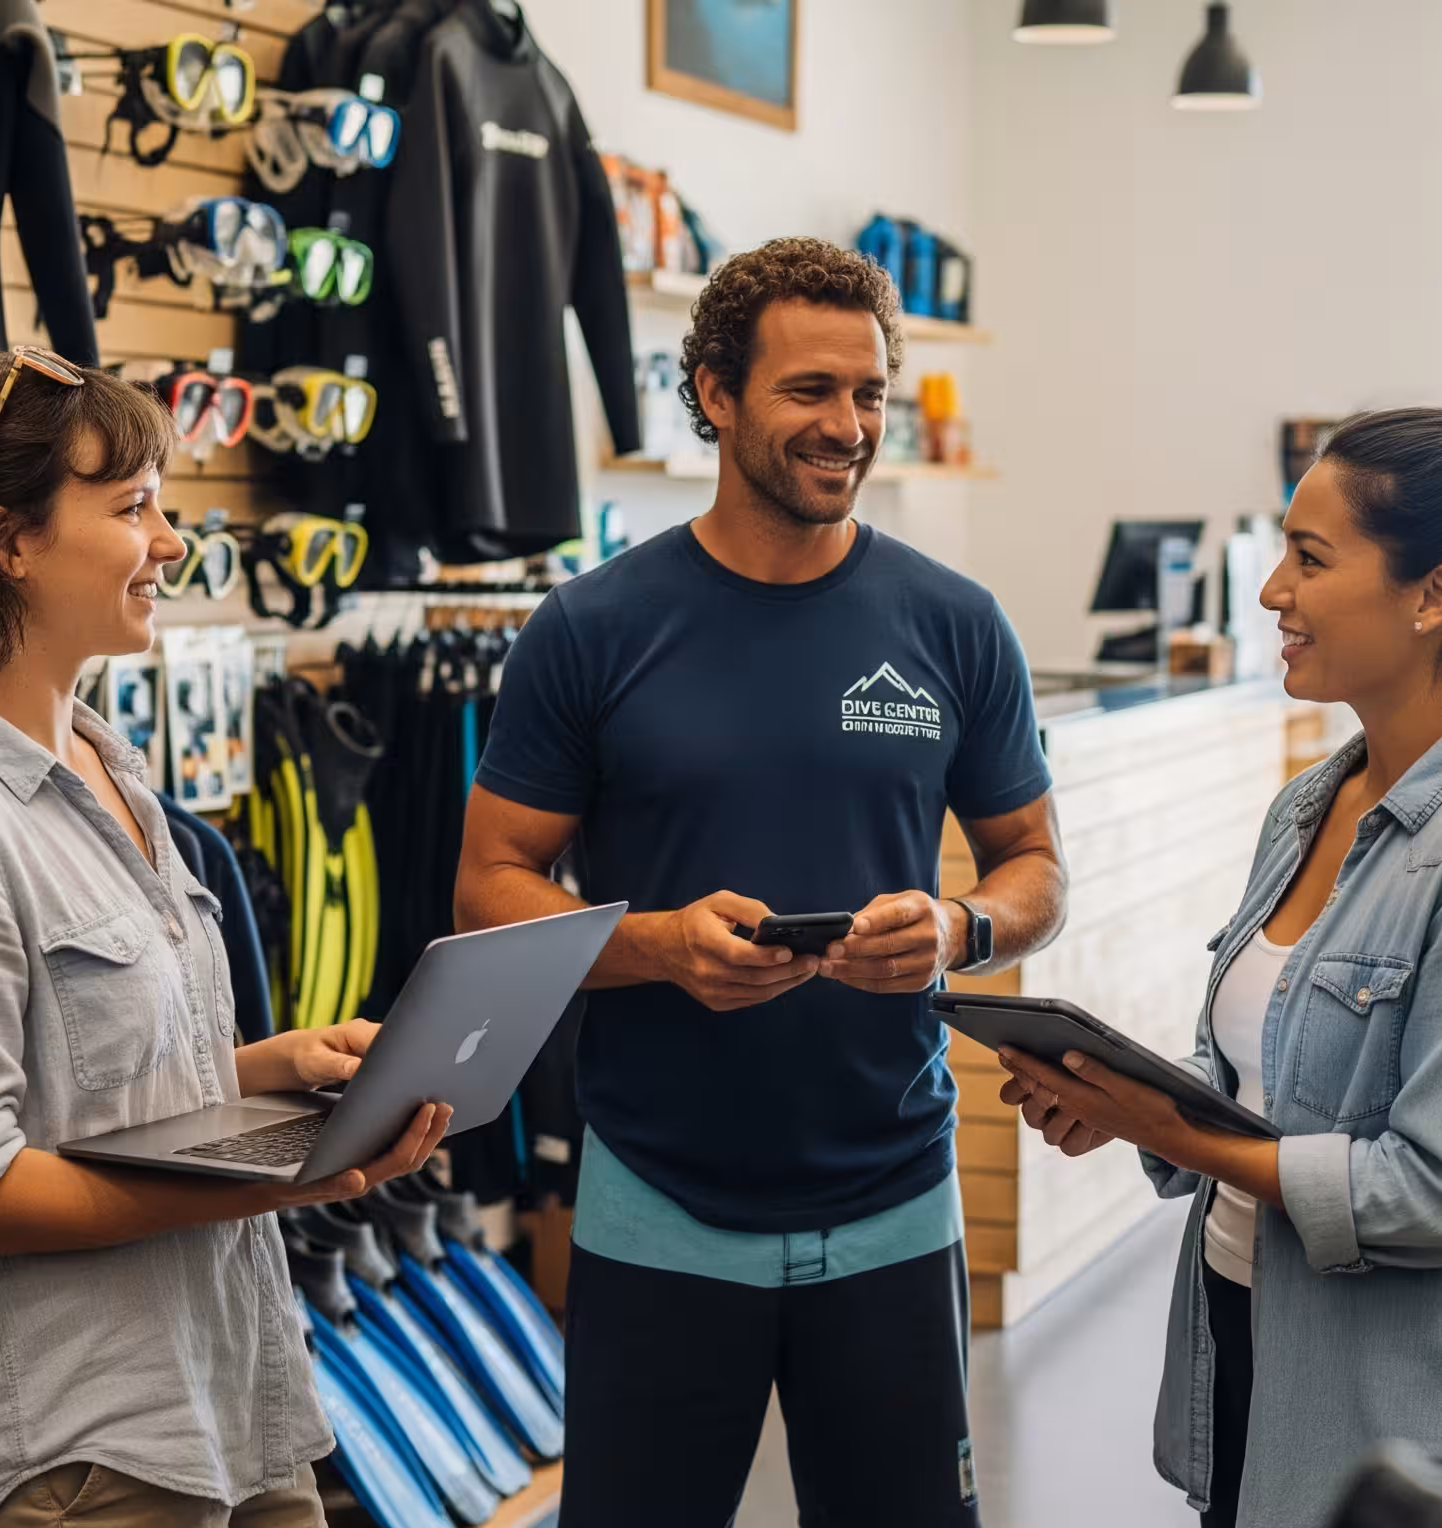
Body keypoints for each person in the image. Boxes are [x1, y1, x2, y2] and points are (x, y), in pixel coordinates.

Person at [453, 236, 1066, 1526]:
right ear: (715, 394)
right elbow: (488, 886)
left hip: (895, 1196)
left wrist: (959, 926)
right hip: (655, 1199)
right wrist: (659, 945)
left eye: (868, 393)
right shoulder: (591, 628)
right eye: (808, 390)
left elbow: (1036, 870)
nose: (848, 425)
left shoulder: (954, 623)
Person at [0, 348, 453, 1528]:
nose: (169, 542)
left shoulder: (111, 772)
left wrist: (268, 1070)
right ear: (8, 541)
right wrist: (265, 1176)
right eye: (133, 508)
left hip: (227, 1401)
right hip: (76, 1462)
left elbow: (85, 1090)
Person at [998, 408, 1442, 1527]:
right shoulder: (1309, 804)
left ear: (1432, 596)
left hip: (1420, 1434)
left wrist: (1174, 1131)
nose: (1270, 592)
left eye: (1309, 558)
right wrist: (1121, 1097)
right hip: (1249, 1350)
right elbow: (1263, 1078)